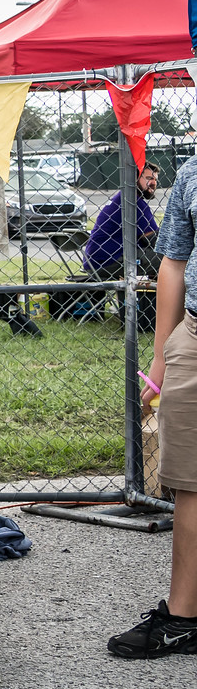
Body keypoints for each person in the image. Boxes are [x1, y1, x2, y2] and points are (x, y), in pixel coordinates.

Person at [123, 157, 197, 659]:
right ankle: (183, 618)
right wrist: (163, 353)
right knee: (189, 483)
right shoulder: (193, 171)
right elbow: (173, 260)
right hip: (194, 337)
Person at [84, 162, 160, 278]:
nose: (153, 183)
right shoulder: (134, 202)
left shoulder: (122, 197)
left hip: (95, 261)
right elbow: (153, 240)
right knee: (168, 258)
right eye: (149, 178)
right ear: (135, 178)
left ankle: (147, 294)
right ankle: (158, 294)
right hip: (110, 261)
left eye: (155, 179)